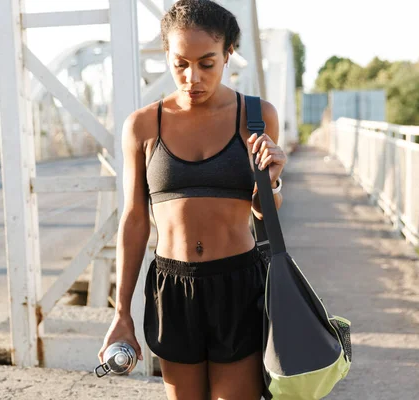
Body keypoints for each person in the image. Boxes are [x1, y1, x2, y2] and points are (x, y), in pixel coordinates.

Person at [99, 1, 287, 398]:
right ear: (167, 55)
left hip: (238, 284)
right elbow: (134, 221)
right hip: (172, 287)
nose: (192, 77)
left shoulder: (256, 117)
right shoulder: (143, 125)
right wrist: (121, 313)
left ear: (228, 54)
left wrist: (270, 185)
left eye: (206, 63)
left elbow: (264, 217)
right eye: (180, 63)